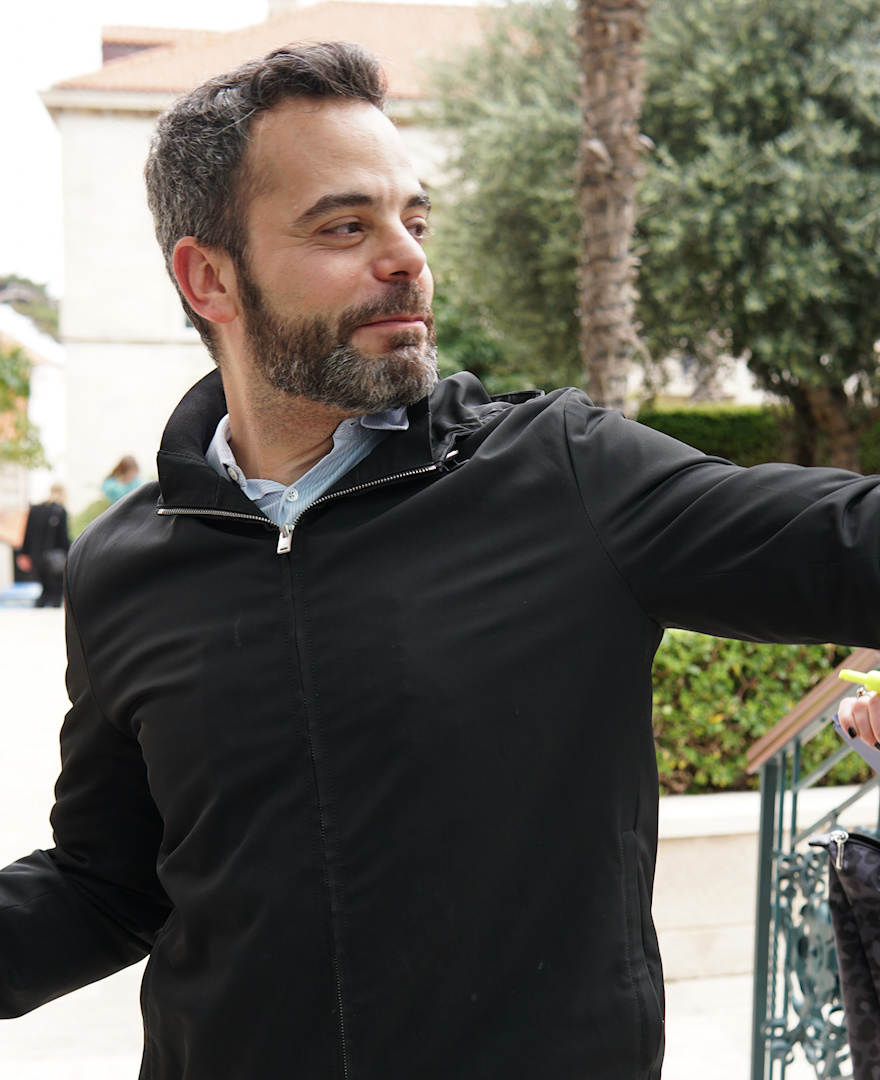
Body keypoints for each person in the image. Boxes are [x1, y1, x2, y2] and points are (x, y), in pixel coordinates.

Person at [1, 41, 879, 1080]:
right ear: (209, 278)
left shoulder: (562, 473)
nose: (407, 258)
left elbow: (849, 543)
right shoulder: (123, 565)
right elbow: (108, 883)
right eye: (346, 226)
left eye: (414, 222)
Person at [14, 483, 70, 607]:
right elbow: (63, 537)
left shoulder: (35, 509)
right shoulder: (60, 511)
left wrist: (24, 553)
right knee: (56, 593)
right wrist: (70, 552)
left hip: (36, 557)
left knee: (44, 590)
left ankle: (38, 612)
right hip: (54, 559)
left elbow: (28, 533)